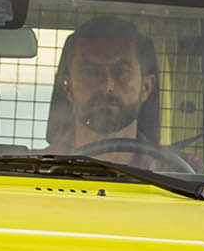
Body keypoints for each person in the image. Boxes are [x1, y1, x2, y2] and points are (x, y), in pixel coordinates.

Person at [45, 14, 162, 154]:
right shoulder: (32, 169)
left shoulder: (185, 172)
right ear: (67, 86)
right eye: (89, 72)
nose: (106, 86)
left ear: (146, 87)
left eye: (121, 71)